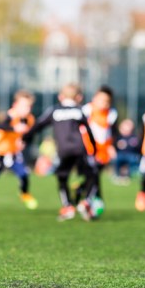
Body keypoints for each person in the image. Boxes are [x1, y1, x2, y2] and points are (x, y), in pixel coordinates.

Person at [23, 83, 97, 221]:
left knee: (62, 177)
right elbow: (89, 131)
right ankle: (86, 201)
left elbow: (38, 125)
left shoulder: (54, 111)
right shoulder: (79, 110)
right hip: (80, 149)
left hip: (63, 150)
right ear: (79, 97)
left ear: (60, 97)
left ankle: (67, 206)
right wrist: (94, 148)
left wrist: (25, 138)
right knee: (92, 174)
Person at [80, 85, 117, 198]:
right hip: (88, 148)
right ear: (94, 98)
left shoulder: (111, 113)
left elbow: (112, 132)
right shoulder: (86, 110)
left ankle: (81, 191)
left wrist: (111, 146)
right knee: (93, 174)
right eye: (101, 100)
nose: (104, 103)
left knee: (94, 175)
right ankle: (94, 200)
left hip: (102, 150)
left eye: (107, 101)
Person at [113, 118, 140, 184]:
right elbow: (115, 146)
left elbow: (136, 147)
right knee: (117, 158)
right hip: (120, 154)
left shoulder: (133, 137)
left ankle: (127, 175)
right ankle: (118, 175)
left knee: (131, 159)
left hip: (131, 155)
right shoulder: (118, 137)